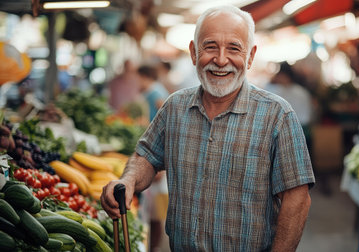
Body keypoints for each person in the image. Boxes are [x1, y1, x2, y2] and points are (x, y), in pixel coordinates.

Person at [101, 5, 315, 251]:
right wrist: (128, 181)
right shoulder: (174, 107)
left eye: (234, 48)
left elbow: (296, 200)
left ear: (251, 56)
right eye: (210, 46)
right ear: (193, 52)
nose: (221, 59)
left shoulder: (278, 115)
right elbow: (146, 157)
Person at [136, 64, 170, 251]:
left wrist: (160, 165)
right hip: (154, 152)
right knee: (153, 208)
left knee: (156, 211)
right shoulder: (153, 90)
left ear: (144, 76)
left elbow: (164, 123)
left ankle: (155, 246)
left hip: (157, 158)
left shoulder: (156, 93)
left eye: (138, 78)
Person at [265, 61, 314, 150]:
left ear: (285, 76)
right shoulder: (301, 91)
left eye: (280, 76)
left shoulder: (285, 92)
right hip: (302, 131)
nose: (279, 78)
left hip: (295, 131)